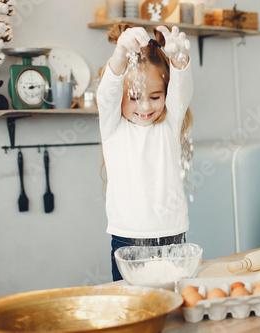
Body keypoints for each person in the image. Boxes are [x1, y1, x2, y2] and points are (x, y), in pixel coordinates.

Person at [97, 23, 193, 281]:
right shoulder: (113, 127)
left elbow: (182, 91)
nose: (144, 107)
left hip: (172, 237)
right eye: (134, 96)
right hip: (127, 240)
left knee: (173, 304)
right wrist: (119, 56)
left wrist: (179, 58)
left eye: (155, 96)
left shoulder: (170, 124)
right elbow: (106, 95)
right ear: (121, 97)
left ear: (165, 94)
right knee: (133, 306)